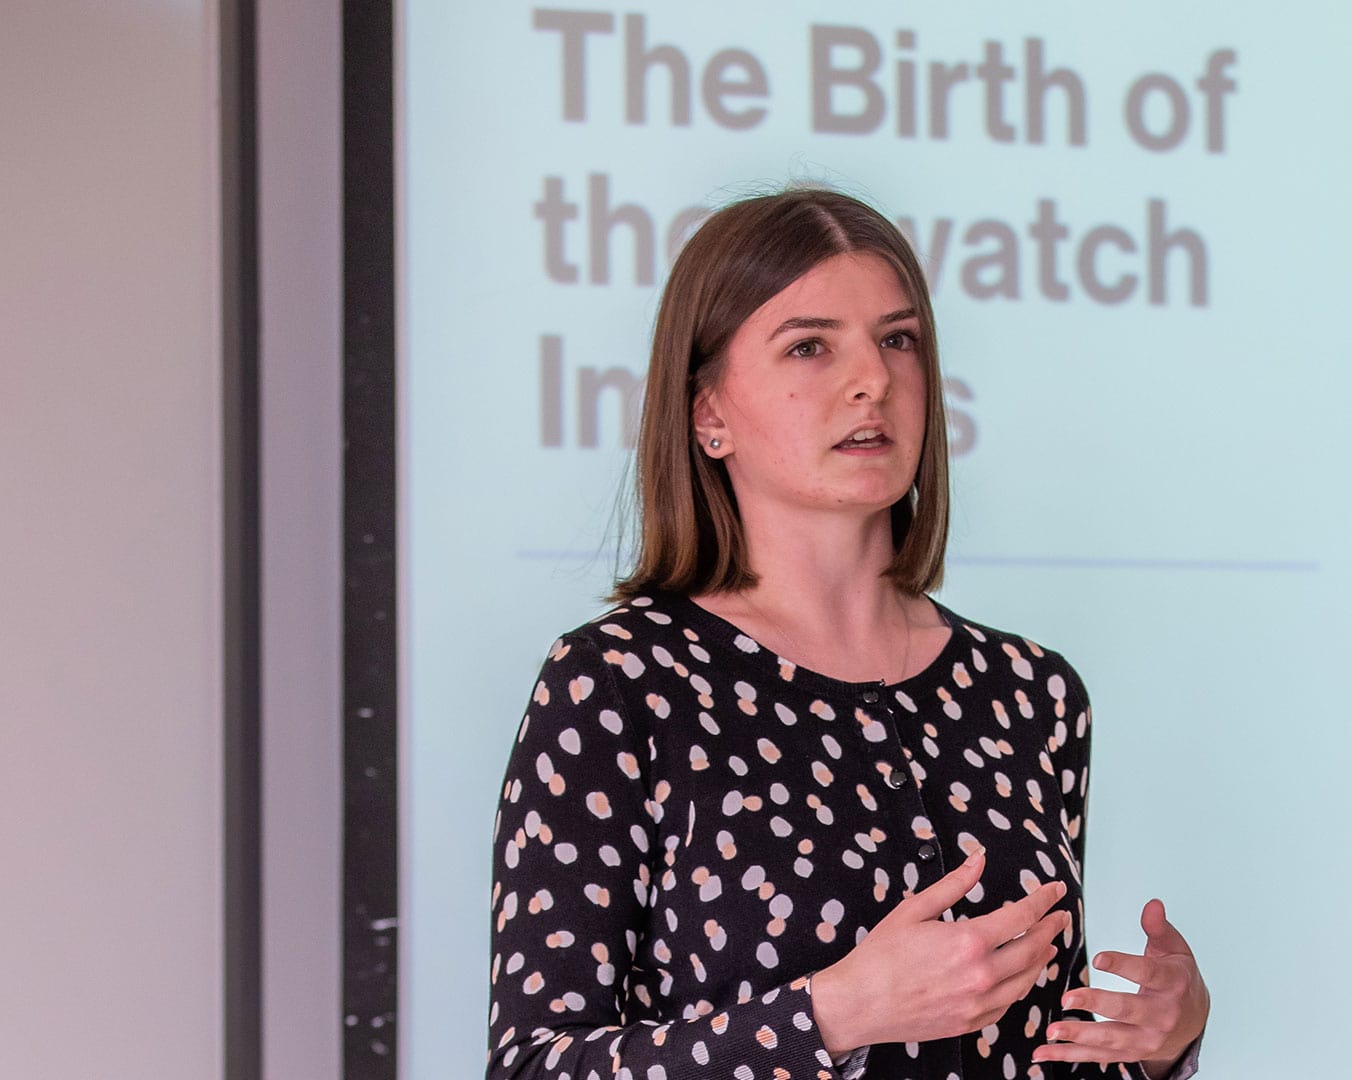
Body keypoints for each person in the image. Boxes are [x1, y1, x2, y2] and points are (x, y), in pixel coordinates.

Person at [485, 186, 1211, 1080]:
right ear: (708, 413)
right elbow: (533, 1066)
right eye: (810, 346)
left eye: (898, 340)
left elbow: (1027, 1058)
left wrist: (1157, 1047)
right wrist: (834, 1015)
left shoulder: (1032, 692)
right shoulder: (621, 684)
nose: (872, 380)